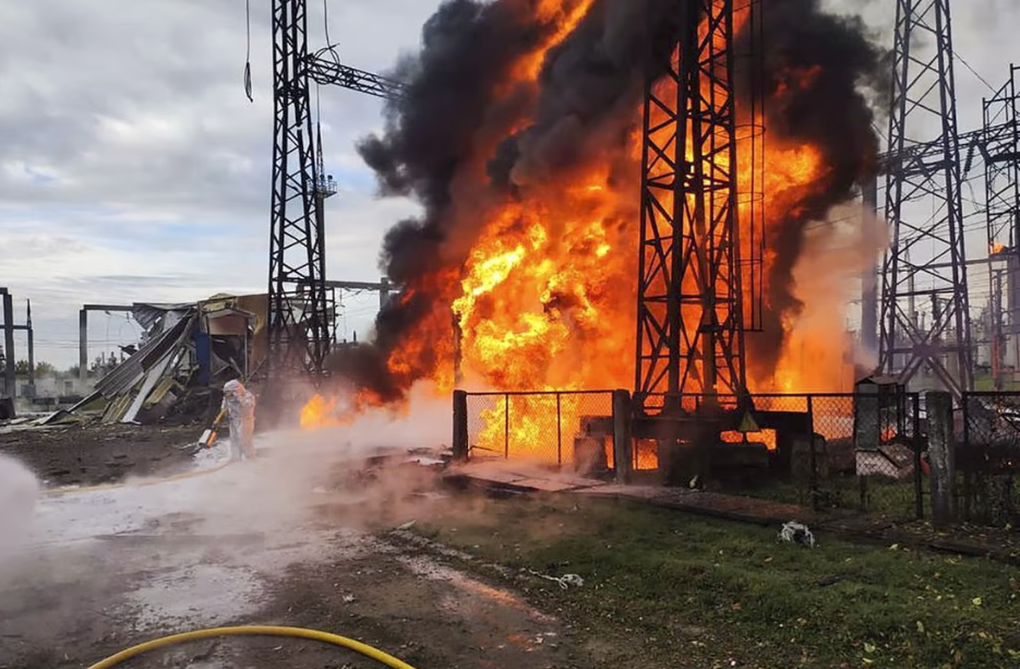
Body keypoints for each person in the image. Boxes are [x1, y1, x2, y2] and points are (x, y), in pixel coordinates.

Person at [221, 379, 256, 460]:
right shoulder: (227, 398)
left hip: (245, 420)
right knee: (234, 439)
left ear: (235, 390)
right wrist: (223, 411)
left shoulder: (247, 396)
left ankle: (250, 456)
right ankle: (236, 457)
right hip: (233, 420)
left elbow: (249, 405)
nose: (226, 394)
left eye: (228, 392)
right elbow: (224, 405)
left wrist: (239, 398)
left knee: (245, 439)